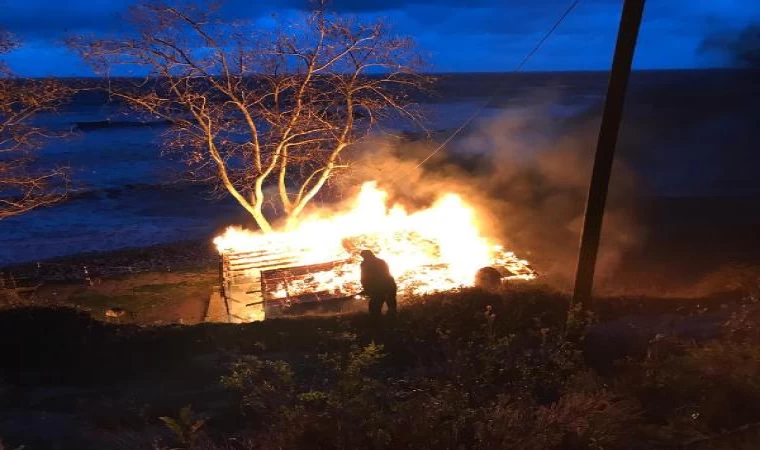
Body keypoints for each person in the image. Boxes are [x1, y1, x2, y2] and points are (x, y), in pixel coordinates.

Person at [358, 249, 397, 320]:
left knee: (376, 307)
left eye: (364, 257)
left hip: (382, 286)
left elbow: (364, 277)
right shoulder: (381, 261)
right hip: (387, 285)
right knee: (386, 306)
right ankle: (388, 321)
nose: (363, 258)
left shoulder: (365, 264)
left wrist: (367, 288)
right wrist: (367, 288)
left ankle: (381, 323)